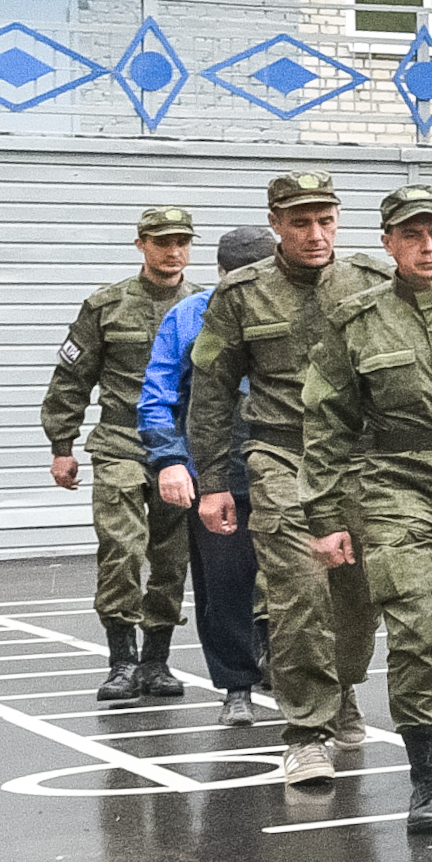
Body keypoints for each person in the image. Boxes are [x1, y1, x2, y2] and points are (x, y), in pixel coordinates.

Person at [301, 184, 432, 835]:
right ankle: (430, 771)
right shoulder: (355, 320)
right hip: (394, 484)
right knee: (417, 633)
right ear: (389, 243)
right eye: (411, 235)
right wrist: (326, 513)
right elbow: (325, 419)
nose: (427, 246)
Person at [184, 172, 384, 790]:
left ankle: (343, 687)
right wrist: (213, 480)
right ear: (275, 224)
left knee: (355, 602)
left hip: (358, 460)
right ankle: (306, 733)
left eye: (326, 220)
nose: (315, 234)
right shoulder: (242, 294)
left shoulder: (373, 283)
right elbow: (212, 389)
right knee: (298, 595)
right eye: (300, 222)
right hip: (281, 457)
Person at [44, 204, 198, 702]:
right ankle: (121, 661)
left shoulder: (206, 305)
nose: (173, 251)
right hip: (121, 442)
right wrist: (61, 446)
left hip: (179, 447)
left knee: (171, 558)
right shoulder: (106, 306)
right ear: (141, 245)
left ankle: (156, 660)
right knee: (122, 548)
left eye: (181, 242)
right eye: (161, 242)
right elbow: (72, 378)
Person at [139, 228, 276, 723]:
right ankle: (237, 685)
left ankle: (291, 672)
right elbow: (156, 397)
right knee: (224, 585)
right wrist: (170, 461)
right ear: (218, 273)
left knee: (305, 583)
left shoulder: (301, 308)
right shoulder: (189, 316)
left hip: (291, 467)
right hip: (218, 473)